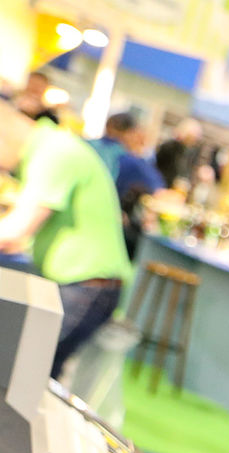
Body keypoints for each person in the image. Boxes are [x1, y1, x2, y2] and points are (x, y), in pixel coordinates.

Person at [0, 98, 131, 379]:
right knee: (29, 376)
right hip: (79, 285)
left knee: (25, 375)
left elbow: (17, 228)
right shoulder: (51, 149)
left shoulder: (54, 153)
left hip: (85, 286)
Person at [89, 112, 163, 260]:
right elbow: (162, 192)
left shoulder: (86, 145)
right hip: (100, 232)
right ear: (131, 133)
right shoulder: (131, 161)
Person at [153, 117, 202, 189]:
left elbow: (187, 170)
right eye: (191, 138)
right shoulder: (169, 146)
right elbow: (156, 166)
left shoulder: (191, 151)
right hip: (161, 185)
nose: (193, 142)